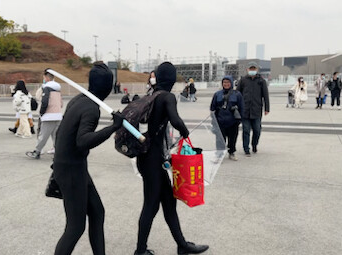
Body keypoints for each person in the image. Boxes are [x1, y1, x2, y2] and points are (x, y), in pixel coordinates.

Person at [134, 62, 209, 255]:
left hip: (148, 159)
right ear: (173, 79)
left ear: (157, 78)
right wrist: (186, 134)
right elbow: (176, 120)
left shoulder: (151, 96)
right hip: (153, 161)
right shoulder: (167, 97)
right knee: (150, 206)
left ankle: (182, 245)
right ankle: (140, 250)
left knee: (168, 202)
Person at [52, 62, 124, 255]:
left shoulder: (78, 100)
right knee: (75, 228)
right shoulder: (91, 108)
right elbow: (83, 141)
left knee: (97, 212)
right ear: (109, 88)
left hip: (73, 166)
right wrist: (113, 128)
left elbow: (61, 134)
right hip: (71, 169)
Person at [26, 69, 62, 159]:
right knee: (56, 136)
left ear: (46, 78)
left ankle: (37, 152)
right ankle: (59, 153)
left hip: (49, 116)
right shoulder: (58, 89)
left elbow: (45, 102)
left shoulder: (46, 88)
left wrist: (42, 112)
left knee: (43, 136)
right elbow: (61, 104)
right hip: (58, 115)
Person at [236, 62, 270, 156]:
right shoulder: (243, 80)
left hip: (256, 110)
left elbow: (265, 95)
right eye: (250, 69)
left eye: (254, 69)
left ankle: (254, 144)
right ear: (247, 70)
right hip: (245, 110)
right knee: (246, 130)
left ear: (257, 70)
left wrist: (267, 108)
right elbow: (237, 94)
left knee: (257, 130)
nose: (252, 71)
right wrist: (236, 106)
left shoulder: (261, 81)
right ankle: (246, 148)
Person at [210, 76, 244, 161]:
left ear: (231, 83)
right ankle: (219, 155)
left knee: (232, 138)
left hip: (232, 121)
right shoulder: (217, 94)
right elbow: (212, 107)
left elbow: (242, 107)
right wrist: (214, 119)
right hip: (220, 121)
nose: (226, 84)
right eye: (224, 82)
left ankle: (231, 152)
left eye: (228, 82)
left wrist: (239, 120)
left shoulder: (237, 94)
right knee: (220, 139)